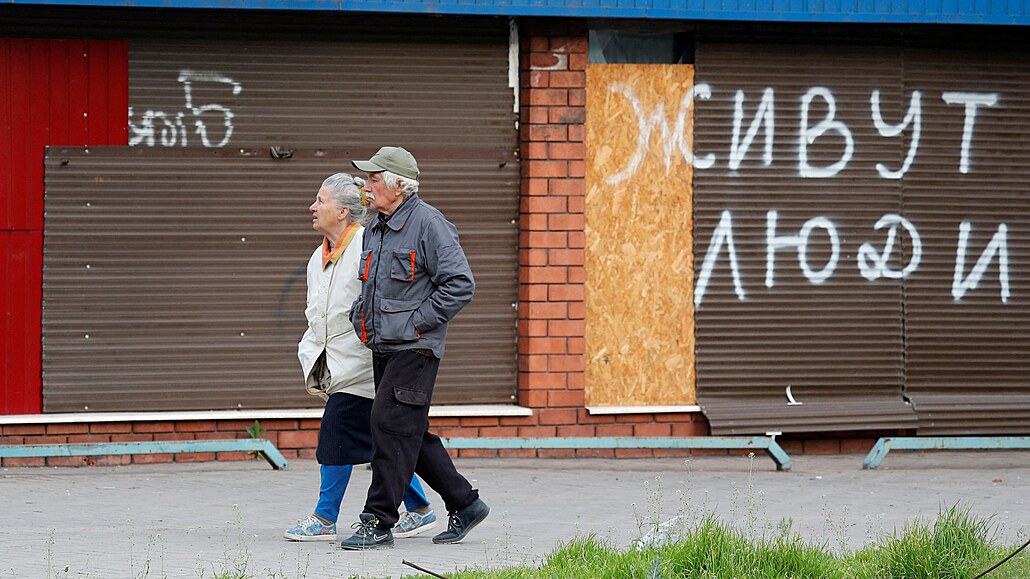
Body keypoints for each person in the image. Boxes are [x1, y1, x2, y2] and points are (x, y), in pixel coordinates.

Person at [339, 147, 489, 551]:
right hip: (384, 347)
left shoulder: (429, 224)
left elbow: (460, 284)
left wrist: (415, 322)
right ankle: (465, 503)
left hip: (416, 349)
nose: (365, 187)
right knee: (408, 431)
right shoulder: (375, 227)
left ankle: (378, 521)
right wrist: (359, 318)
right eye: (366, 179)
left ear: (398, 185)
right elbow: (367, 286)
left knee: (387, 428)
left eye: (373, 179)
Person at [284, 172, 440, 542]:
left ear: (342, 211)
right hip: (337, 363)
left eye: (320, 200)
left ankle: (324, 518)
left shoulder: (365, 246)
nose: (313, 206)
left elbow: (376, 305)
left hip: (366, 363)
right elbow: (317, 314)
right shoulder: (317, 256)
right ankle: (421, 507)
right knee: (387, 440)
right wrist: (313, 356)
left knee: (336, 433)